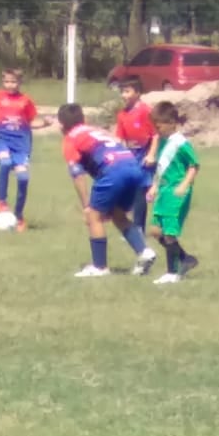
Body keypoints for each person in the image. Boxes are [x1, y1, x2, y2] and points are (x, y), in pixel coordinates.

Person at [58, 103, 157, 278]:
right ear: (83, 119)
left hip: (113, 171)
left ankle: (99, 267)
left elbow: (77, 175)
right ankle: (144, 252)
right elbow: (118, 142)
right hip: (133, 167)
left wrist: (86, 205)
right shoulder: (96, 130)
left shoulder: (70, 139)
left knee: (93, 216)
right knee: (117, 214)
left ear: (61, 125)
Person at [0, 68, 46, 231]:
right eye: (7, 81)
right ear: (3, 82)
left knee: (23, 178)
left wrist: (45, 123)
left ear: (19, 83)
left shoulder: (26, 101)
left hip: (21, 144)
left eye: (13, 82)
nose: (10, 85)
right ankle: (1, 201)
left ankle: (19, 216)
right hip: (2, 138)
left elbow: (30, 122)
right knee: (4, 162)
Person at [145, 101, 201, 284]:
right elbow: (161, 168)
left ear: (171, 123)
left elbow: (194, 166)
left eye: (159, 125)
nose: (157, 129)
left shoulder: (181, 143)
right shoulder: (162, 142)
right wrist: (154, 186)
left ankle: (172, 272)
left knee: (169, 232)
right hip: (163, 189)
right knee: (155, 231)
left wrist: (184, 184)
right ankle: (186, 259)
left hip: (176, 191)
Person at [114, 77, 158, 231]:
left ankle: (139, 228)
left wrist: (151, 154)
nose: (124, 95)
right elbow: (120, 138)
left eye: (127, 91)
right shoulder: (122, 115)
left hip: (144, 154)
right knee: (128, 190)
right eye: (122, 92)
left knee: (140, 191)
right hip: (130, 155)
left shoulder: (146, 111)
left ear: (138, 93)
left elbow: (155, 135)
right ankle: (129, 225)